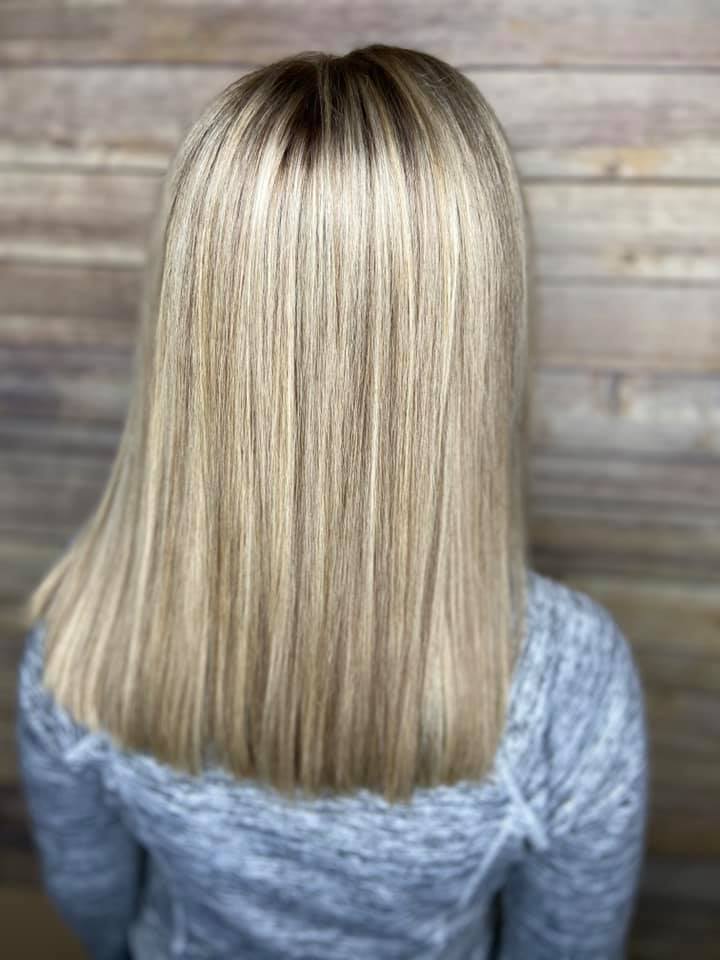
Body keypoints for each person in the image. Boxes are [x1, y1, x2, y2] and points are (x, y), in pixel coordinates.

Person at [16, 44, 648, 959]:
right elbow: (566, 948)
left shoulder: (80, 639)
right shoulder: (566, 684)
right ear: (481, 318)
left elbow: (96, 908)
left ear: (192, 314)